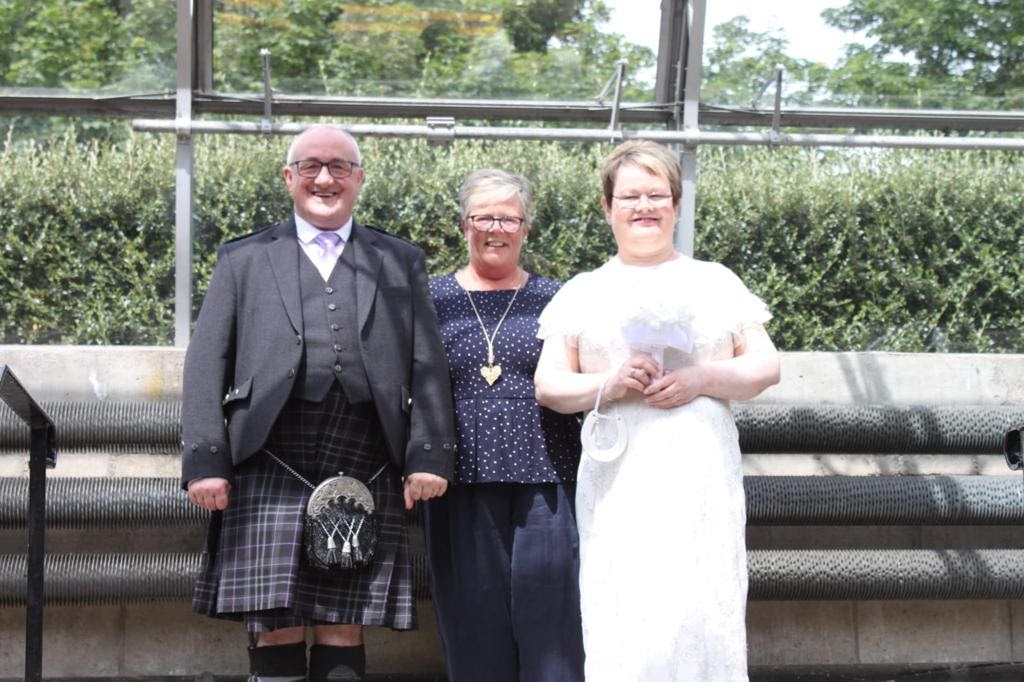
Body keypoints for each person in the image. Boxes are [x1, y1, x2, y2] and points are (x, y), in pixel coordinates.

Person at [180, 125, 456, 682]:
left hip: (366, 447)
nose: (324, 179)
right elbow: (207, 360)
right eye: (309, 167)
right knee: (273, 613)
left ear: (358, 179)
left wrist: (428, 454)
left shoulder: (400, 259)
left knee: (344, 615)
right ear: (289, 178)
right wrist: (207, 461)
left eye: (338, 167)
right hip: (267, 452)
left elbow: (426, 361)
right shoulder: (244, 258)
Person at [534, 140, 780, 681]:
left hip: (700, 475)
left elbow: (765, 366)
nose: (643, 206)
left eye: (656, 194)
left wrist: (701, 378)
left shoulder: (714, 280)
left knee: (701, 603)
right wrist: (612, 383)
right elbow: (549, 385)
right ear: (607, 207)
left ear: (675, 203)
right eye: (629, 196)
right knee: (625, 604)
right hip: (618, 475)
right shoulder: (583, 291)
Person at [421, 169, 585, 681]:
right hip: (458, 477)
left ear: (526, 227)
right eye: (484, 216)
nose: (496, 228)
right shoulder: (429, 298)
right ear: (464, 225)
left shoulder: (560, 299)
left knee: (553, 618)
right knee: (471, 620)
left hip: (549, 476)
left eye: (508, 217)